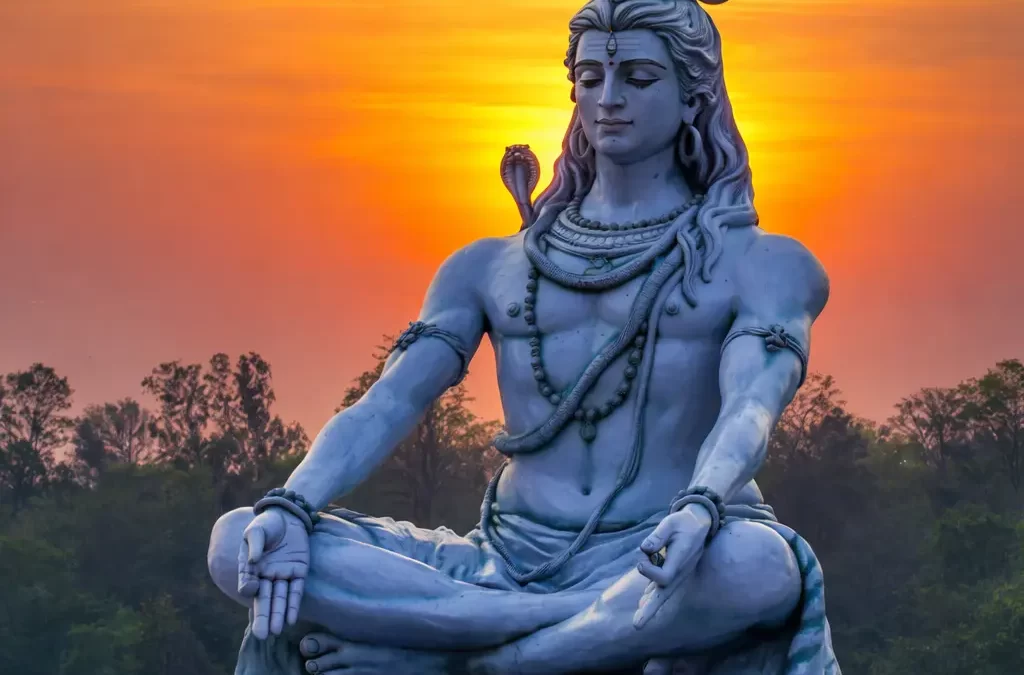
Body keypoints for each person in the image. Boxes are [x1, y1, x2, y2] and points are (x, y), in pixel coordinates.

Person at [208, 1, 841, 672]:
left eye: (639, 78)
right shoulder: (489, 264)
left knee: (759, 564)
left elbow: (752, 404)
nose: (609, 98)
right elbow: (390, 401)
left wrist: (702, 505)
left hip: (667, 549)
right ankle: (552, 632)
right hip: (504, 563)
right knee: (240, 543)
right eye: (591, 77)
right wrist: (295, 501)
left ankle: (465, 661)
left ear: (695, 96)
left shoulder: (762, 263)